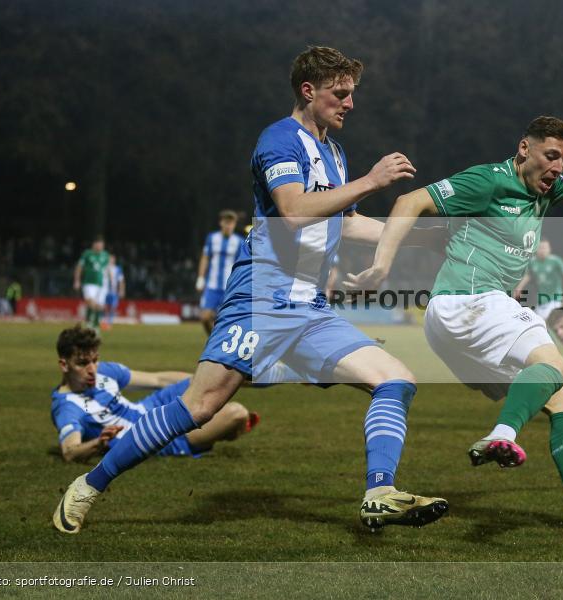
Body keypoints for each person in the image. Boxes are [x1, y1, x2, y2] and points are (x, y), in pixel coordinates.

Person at [53, 46, 447, 534]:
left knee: (395, 379)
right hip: (261, 300)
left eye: (352, 95)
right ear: (309, 91)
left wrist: (428, 240)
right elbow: (294, 209)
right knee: (197, 408)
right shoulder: (279, 140)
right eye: (340, 94)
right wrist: (372, 180)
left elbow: (344, 223)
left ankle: (380, 492)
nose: (350, 104)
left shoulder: (334, 152)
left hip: (309, 308)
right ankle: (90, 484)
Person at [347, 115, 563, 535]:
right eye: (551, 155)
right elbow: (409, 202)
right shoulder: (489, 181)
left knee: (561, 398)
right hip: (469, 303)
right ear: (524, 149)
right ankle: (502, 434)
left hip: (455, 324)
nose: (559, 167)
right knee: (560, 365)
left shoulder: (548, 190)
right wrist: (381, 267)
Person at [51, 324, 257, 469]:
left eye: (94, 360)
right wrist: (99, 443)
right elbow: (70, 452)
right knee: (236, 413)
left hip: (149, 407)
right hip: (153, 435)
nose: (92, 369)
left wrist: (206, 379)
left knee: (205, 379)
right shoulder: (67, 407)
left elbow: (158, 380)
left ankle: (256, 377)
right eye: (82, 363)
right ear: (63, 365)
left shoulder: (104, 371)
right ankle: (235, 426)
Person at [196, 210, 244, 334]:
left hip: (229, 287)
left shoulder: (239, 242)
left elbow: (242, 264)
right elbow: (205, 257)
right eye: (226, 222)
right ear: (221, 223)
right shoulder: (212, 238)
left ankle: (219, 345)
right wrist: (200, 278)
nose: (228, 225)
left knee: (227, 320)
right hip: (212, 286)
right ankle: (212, 340)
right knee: (205, 318)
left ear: (234, 224)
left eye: (231, 223)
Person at [513, 238, 563, 320]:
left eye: (545, 248)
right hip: (541, 300)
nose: (542, 250)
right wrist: (519, 288)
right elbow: (528, 276)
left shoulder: (556, 261)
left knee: (551, 322)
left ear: (549, 249)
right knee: (540, 323)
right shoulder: (533, 262)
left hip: (556, 299)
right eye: (540, 247)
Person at [73, 236, 109, 329]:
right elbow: (79, 267)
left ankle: (94, 324)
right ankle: (95, 321)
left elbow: (106, 270)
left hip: (100, 283)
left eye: (102, 245)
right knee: (90, 302)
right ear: (94, 245)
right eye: (99, 245)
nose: (100, 247)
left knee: (94, 305)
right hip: (88, 283)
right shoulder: (87, 254)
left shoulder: (105, 255)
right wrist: (77, 280)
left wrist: (108, 283)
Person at [102, 254, 125, 330]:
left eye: (112, 259)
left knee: (113, 307)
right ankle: (104, 321)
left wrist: (121, 290)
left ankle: (110, 322)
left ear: (114, 260)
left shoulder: (118, 269)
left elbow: (121, 281)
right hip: (104, 290)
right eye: (109, 259)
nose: (110, 260)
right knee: (105, 306)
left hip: (113, 291)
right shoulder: (104, 268)